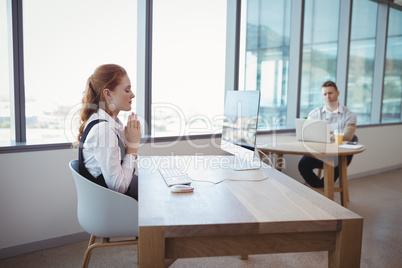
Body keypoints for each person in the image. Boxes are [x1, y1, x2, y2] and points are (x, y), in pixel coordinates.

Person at [77, 64, 141, 200]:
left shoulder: (109, 123)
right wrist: (132, 148)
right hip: (114, 205)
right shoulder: (104, 130)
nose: (133, 95)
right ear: (108, 94)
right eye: (127, 90)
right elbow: (118, 187)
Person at [298, 81, 357, 188]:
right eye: (325, 94)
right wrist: (333, 134)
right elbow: (308, 134)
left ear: (338, 93)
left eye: (330, 93)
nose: (327, 96)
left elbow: (348, 136)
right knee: (303, 165)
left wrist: (323, 134)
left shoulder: (349, 115)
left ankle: (321, 190)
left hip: (339, 156)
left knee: (334, 165)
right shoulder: (315, 113)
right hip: (319, 153)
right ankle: (320, 188)